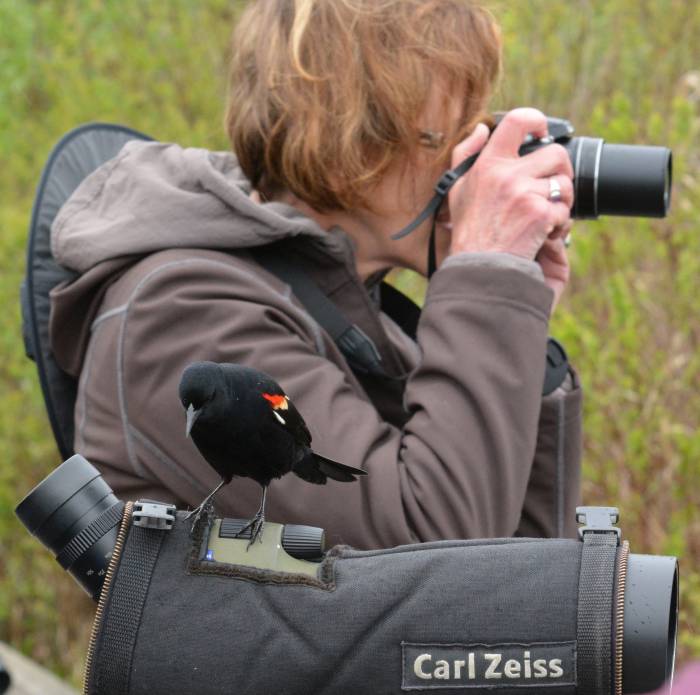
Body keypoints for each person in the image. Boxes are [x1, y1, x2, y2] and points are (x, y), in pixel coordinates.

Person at [49, 0, 581, 549]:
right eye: (453, 131)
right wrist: (486, 280)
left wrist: (516, 325)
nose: (477, 156)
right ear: (358, 140)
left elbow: (527, 582)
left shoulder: (346, 307)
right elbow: (429, 557)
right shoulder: (182, 312)